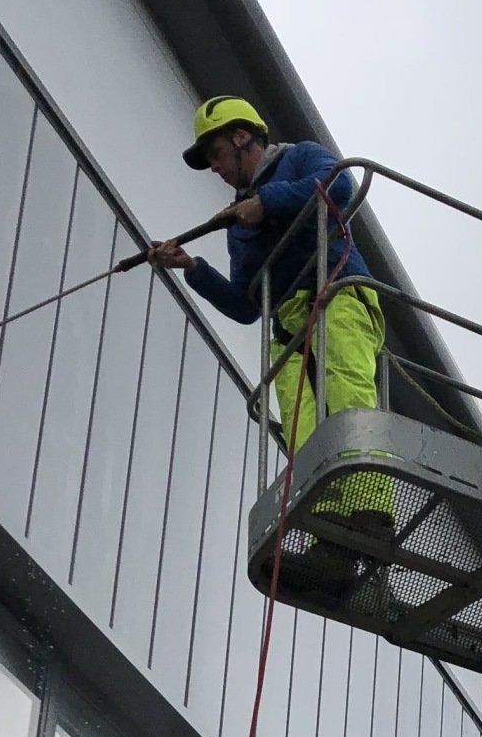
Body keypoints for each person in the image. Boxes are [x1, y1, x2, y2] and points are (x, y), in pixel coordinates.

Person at [150, 96, 394, 548]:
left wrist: (268, 201)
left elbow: (339, 186)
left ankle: (370, 508)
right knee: (302, 430)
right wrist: (192, 268)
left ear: (241, 137)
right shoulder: (237, 227)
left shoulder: (299, 157)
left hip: (335, 294)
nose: (216, 170)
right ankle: (329, 533)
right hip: (289, 329)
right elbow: (246, 306)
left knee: (345, 392)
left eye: (217, 156)